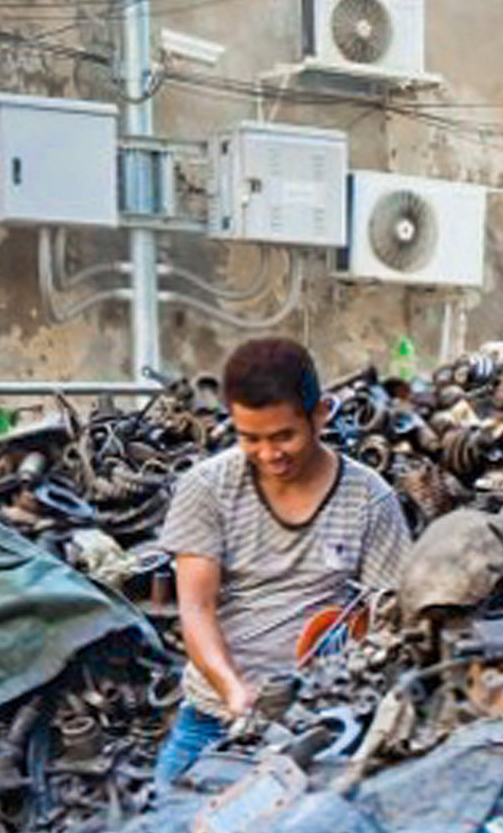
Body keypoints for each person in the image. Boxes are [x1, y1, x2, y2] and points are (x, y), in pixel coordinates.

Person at [152, 337, 412, 787]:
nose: (270, 454)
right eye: (250, 438)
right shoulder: (207, 488)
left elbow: (391, 618)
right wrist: (235, 692)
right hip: (213, 718)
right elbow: (197, 609)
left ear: (320, 415)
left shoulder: (370, 499)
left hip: (319, 724)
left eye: (283, 436)